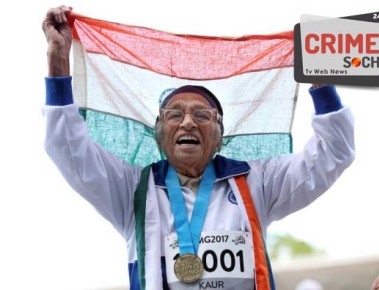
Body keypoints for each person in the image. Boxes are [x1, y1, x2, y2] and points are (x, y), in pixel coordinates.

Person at [42, 6, 355, 290]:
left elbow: (333, 152)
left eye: (202, 115)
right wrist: (58, 57)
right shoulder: (132, 190)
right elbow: (68, 146)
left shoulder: (257, 180)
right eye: (175, 115)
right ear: (159, 135)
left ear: (219, 137)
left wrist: (319, 75)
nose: (188, 122)